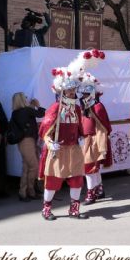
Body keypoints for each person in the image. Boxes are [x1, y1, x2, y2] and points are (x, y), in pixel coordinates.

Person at [38, 51, 102, 220]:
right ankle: (46, 209)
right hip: (58, 149)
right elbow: (45, 128)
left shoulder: (77, 108)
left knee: (76, 179)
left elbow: (80, 126)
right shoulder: (55, 108)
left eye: (74, 90)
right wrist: (50, 142)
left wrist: (81, 137)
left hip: (73, 148)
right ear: (62, 92)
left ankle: (74, 209)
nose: (73, 93)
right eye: (69, 90)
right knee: (52, 180)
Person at [79, 69, 113, 206]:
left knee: (89, 168)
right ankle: (99, 189)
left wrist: (101, 145)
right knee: (92, 168)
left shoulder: (98, 107)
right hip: (86, 140)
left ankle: (90, 193)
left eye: (87, 94)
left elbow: (103, 128)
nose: (84, 96)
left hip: (94, 141)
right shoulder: (85, 108)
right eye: (83, 94)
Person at [10, 92, 45, 202]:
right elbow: (41, 113)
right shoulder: (27, 110)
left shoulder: (15, 113)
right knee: (34, 166)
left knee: (26, 167)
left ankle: (23, 192)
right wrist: (38, 105)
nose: (27, 98)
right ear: (21, 99)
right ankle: (30, 191)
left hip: (22, 141)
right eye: (25, 97)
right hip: (28, 140)